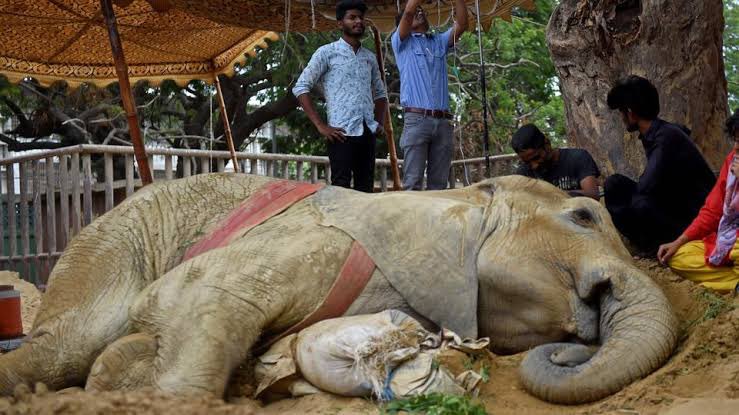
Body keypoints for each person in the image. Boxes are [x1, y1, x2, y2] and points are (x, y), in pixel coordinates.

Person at [604, 75, 715, 255]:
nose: (622, 118)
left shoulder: (666, 136)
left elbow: (646, 186)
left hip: (696, 218)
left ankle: (657, 247)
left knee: (640, 201)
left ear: (630, 112)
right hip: (676, 207)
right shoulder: (660, 132)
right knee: (614, 185)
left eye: (621, 112)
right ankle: (647, 244)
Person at [293, 0, 388, 193]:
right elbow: (301, 87)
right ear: (340, 23)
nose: (358, 21)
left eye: (360, 18)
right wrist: (321, 126)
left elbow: (381, 93)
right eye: (352, 17)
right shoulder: (327, 53)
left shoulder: (369, 57)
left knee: (366, 188)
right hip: (340, 133)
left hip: (367, 131)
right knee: (340, 189)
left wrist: (379, 122)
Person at [657, 109, 739, 293]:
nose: (735, 147)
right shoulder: (731, 161)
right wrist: (678, 242)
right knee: (680, 256)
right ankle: (734, 284)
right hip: (730, 241)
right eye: (735, 140)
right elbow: (712, 211)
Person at [391, 0, 468, 190]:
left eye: (421, 10)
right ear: (403, 23)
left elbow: (462, 24)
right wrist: (411, 8)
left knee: (439, 185)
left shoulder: (438, 41)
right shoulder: (401, 42)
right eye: (415, 12)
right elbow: (408, 12)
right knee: (412, 183)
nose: (419, 12)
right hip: (417, 119)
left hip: (443, 122)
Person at [511, 124, 601, 199]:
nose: (534, 166)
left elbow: (593, 195)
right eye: (527, 162)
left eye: (536, 157)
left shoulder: (578, 158)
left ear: (547, 144)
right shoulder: (524, 172)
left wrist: (553, 195)